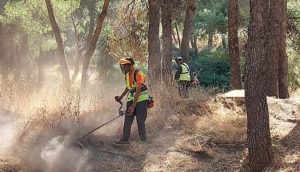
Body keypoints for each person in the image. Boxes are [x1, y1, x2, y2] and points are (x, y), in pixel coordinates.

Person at [114, 57, 149, 145]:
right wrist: (121, 97)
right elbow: (128, 87)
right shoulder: (127, 74)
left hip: (141, 99)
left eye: (124, 66)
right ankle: (125, 140)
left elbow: (138, 90)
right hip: (132, 98)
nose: (123, 69)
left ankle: (143, 141)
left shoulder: (138, 73)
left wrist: (133, 106)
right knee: (128, 119)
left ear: (130, 65)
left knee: (140, 120)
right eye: (122, 67)